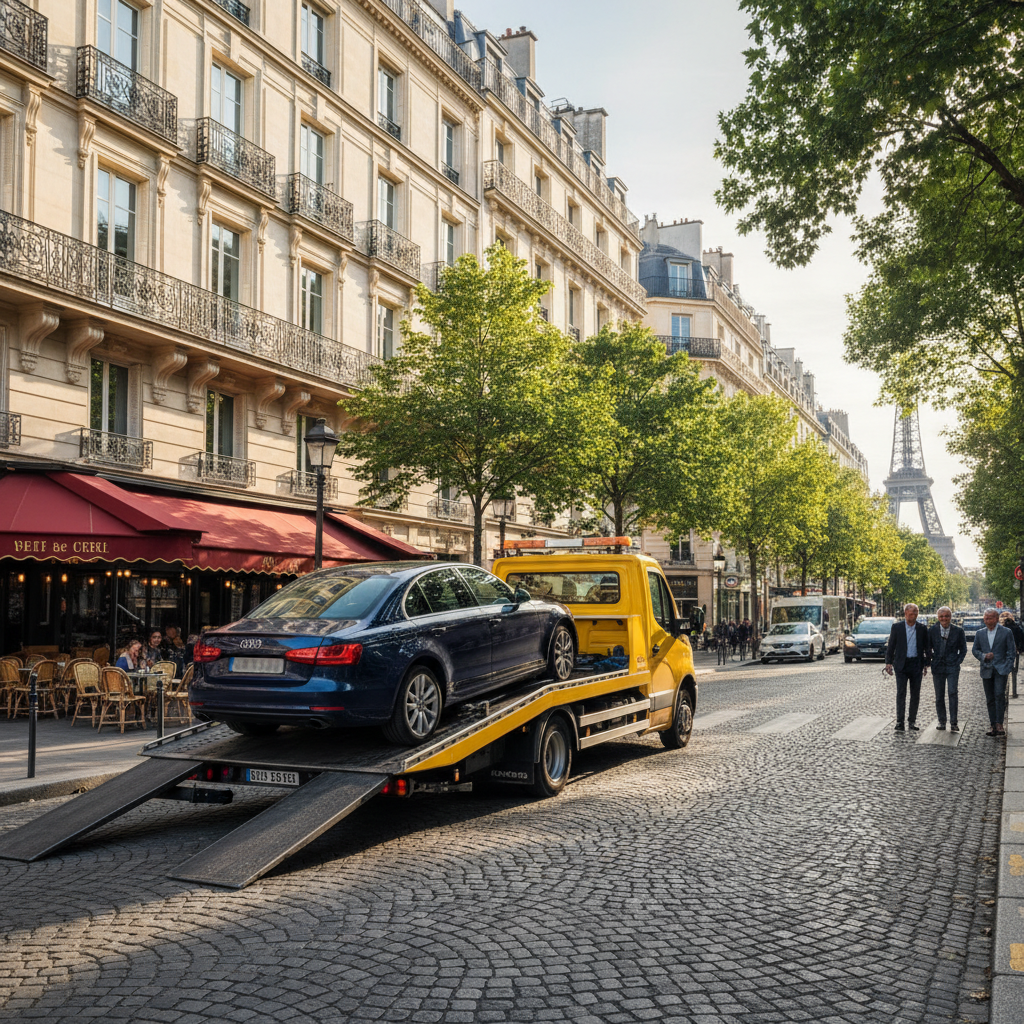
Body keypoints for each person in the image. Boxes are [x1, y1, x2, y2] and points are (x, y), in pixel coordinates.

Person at [884, 603, 931, 731]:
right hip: (901, 665)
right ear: (905, 614)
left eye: (916, 613)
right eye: (911, 614)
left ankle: (912, 721)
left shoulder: (922, 628)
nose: (914, 616)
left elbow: (927, 647)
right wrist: (888, 662)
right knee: (901, 693)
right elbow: (891, 646)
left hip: (916, 664)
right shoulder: (897, 627)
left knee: (915, 694)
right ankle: (900, 722)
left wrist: (927, 662)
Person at [972, 607, 1016, 736]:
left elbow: (1011, 651)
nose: (986, 620)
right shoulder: (980, 633)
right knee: (990, 698)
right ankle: (992, 724)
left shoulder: (1006, 632)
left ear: (996, 619)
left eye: (989, 618)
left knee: (999, 695)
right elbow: (975, 650)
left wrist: (1007, 667)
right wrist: (983, 656)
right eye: (985, 618)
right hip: (986, 669)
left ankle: (999, 724)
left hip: (1001, 669)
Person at [927, 606, 967, 731]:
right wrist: (932, 659)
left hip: (952, 667)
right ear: (938, 617)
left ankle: (954, 722)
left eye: (946, 616)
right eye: (941, 616)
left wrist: (957, 662)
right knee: (939, 696)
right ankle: (942, 721)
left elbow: (964, 649)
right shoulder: (932, 630)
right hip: (937, 666)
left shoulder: (958, 631)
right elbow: (927, 648)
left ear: (950, 617)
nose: (944, 618)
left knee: (952, 693)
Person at [1001, 612, 1024, 698]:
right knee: (1014, 672)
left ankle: (1003, 692)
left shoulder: (1002, 630)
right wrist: (1020, 649)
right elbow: (1022, 638)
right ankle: (1013, 692)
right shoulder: (1017, 628)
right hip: (1016, 651)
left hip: (1005, 653)